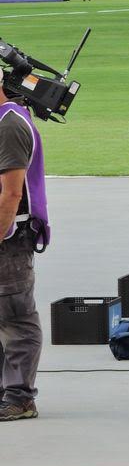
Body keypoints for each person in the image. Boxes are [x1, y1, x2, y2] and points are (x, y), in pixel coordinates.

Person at [0, 79, 50, 422]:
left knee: (16, 317)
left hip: (10, 237)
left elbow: (12, 194)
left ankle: (20, 397)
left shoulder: (10, 126)